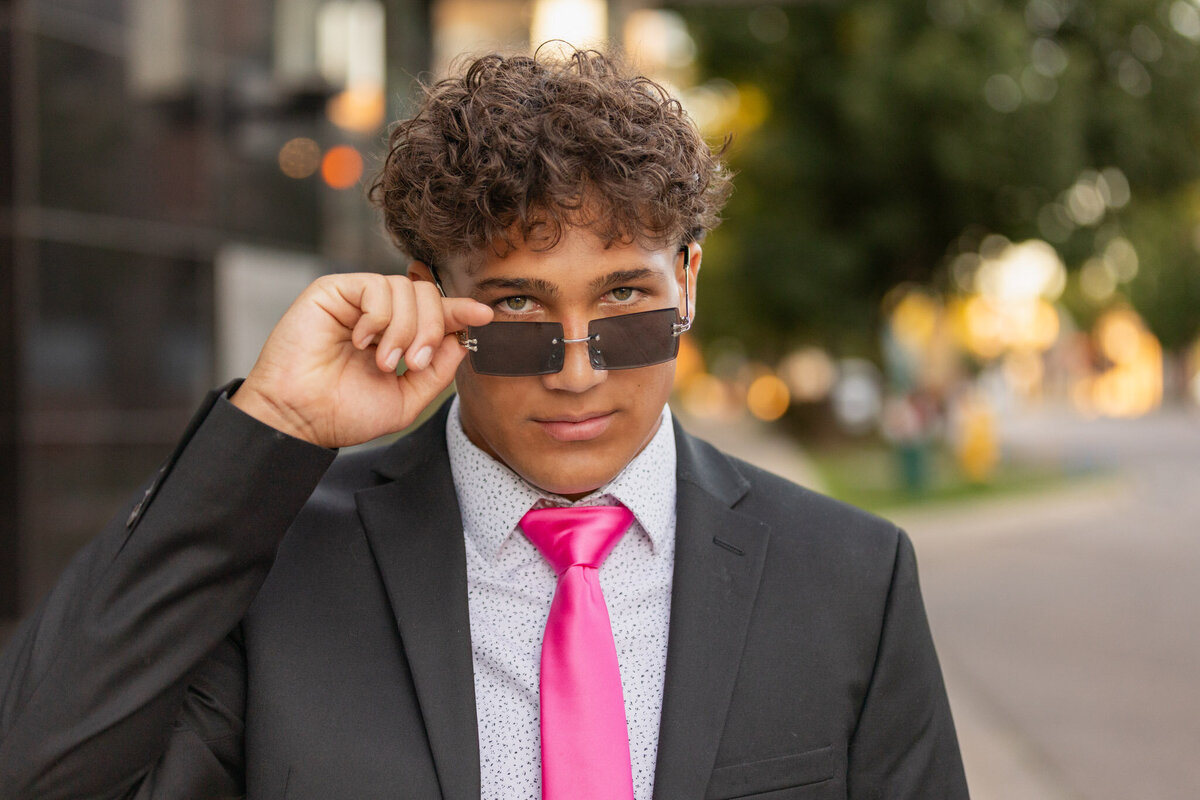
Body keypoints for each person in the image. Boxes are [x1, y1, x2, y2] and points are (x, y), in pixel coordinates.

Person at [0, 48, 968, 799]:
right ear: (431, 298)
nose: (582, 370)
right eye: (518, 313)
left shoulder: (851, 574)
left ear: (691, 282)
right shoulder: (281, 559)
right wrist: (276, 421)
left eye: (627, 301)